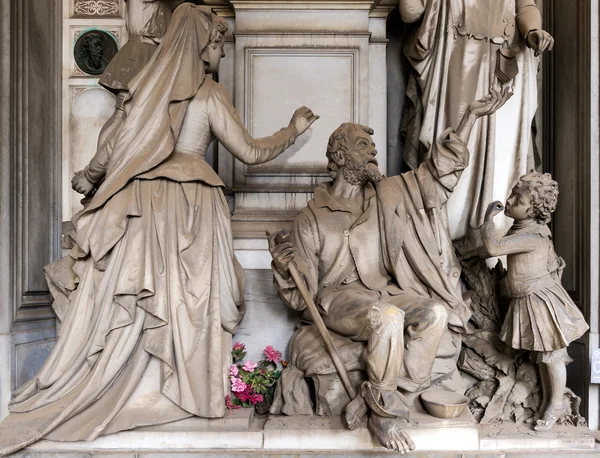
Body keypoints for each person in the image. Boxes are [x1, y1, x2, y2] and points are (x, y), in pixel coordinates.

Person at [0, 5, 318, 455]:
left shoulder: (148, 87)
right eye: (219, 45)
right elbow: (249, 151)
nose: (221, 53)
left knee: (142, 297)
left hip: (144, 205)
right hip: (191, 205)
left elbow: (114, 143)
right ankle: (180, 393)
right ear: (205, 45)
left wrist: (90, 178)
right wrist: (293, 129)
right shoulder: (208, 94)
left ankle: (140, 388)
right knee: (192, 300)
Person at [269, 87, 512, 453]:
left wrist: (469, 118)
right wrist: (285, 267)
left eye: (372, 146)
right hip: (338, 300)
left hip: (385, 291)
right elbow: (303, 291)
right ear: (339, 155)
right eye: (363, 146)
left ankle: (386, 395)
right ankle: (384, 415)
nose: (374, 152)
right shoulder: (312, 217)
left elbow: (435, 175)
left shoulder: (388, 195)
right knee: (388, 319)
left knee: (434, 313)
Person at [399, 0, 554, 240]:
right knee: (454, 147)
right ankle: (446, 244)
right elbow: (411, 13)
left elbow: (526, 6)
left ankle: (496, 248)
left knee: (503, 157)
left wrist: (533, 31)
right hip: (457, 58)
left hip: (507, 61)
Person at [479, 172, 588, 431]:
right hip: (527, 300)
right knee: (542, 357)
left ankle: (556, 405)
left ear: (534, 208)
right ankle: (547, 403)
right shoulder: (526, 229)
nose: (510, 200)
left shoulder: (533, 236)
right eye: (513, 193)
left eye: (518, 198)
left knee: (552, 357)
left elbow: (494, 248)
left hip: (540, 301)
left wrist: (487, 219)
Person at [72, 0, 189, 194]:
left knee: (122, 115)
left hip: (151, 52)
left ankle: (98, 175)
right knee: (126, 117)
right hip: (145, 52)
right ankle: (96, 175)